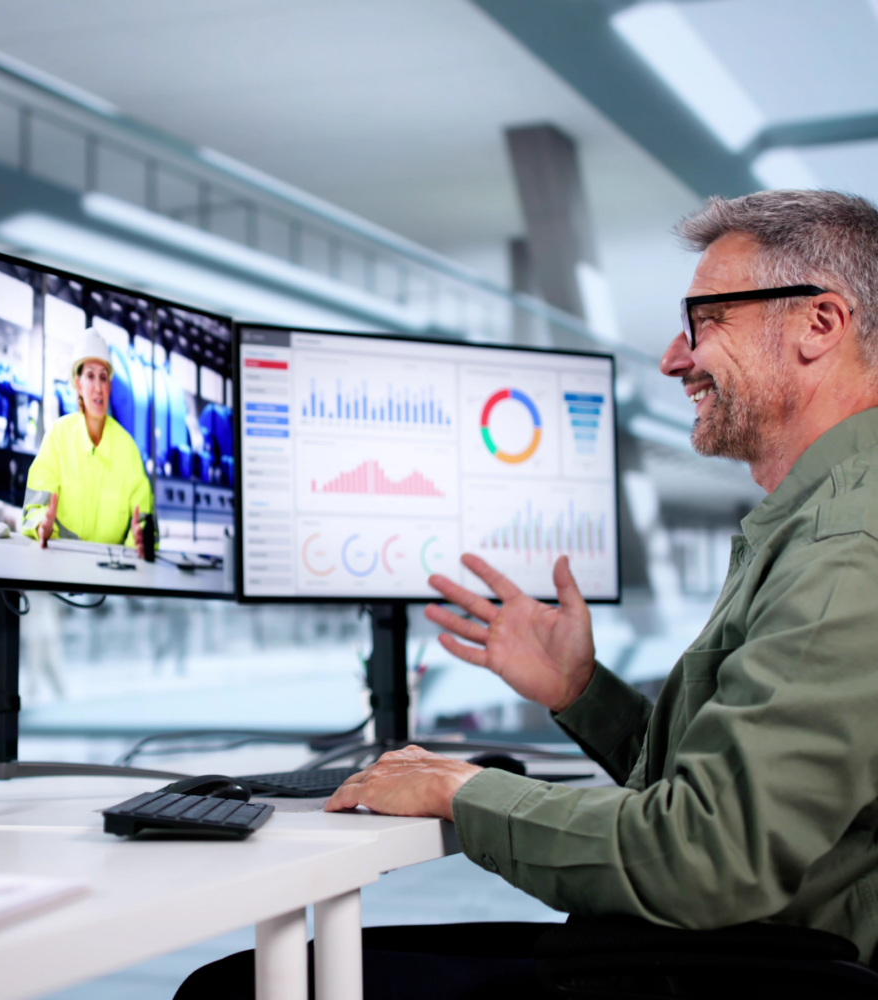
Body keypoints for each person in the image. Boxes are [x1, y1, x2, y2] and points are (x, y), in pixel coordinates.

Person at [176, 189, 878, 998]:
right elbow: (733, 785)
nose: (674, 359)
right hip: (737, 951)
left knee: (243, 990)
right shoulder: (818, 522)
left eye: (706, 321)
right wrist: (583, 693)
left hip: (750, 971)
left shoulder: (845, 547)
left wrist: (462, 788)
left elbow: (708, 852)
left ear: (820, 324)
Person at [21, 328, 153, 556]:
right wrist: (42, 524)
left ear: (110, 386)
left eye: (103, 377)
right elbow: (33, 508)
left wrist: (139, 540)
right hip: (61, 565)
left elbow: (143, 520)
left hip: (113, 572)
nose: (98, 387)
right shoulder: (57, 437)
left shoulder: (127, 449)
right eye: (90, 376)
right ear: (78, 384)